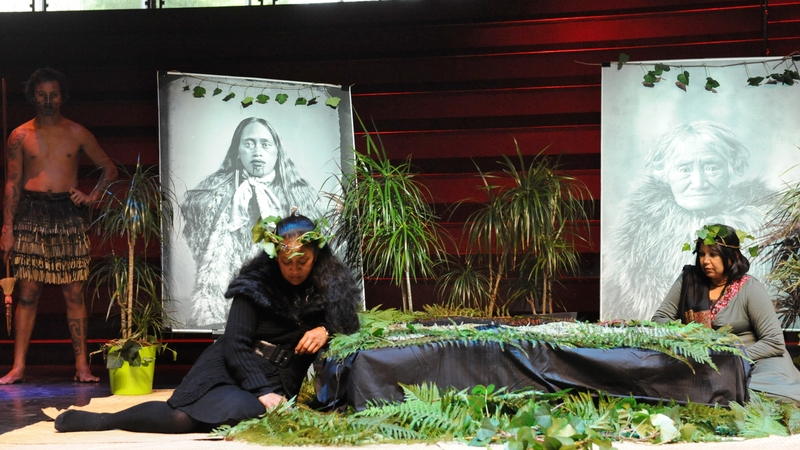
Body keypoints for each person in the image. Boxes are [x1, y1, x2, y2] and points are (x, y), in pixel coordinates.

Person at [54, 212, 361, 433]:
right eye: (286, 262)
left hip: (282, 376)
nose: (294, 269)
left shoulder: (330, 284)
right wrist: (263, 389)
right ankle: (104, 421)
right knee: (180, 419)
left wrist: (325, 330)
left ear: (316, 256)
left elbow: (351, 327)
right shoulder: (254, 285)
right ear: (274, 256)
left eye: (302, 262)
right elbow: (236, 345)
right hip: (229, 364)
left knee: (244, 410)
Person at [0, 68, 118, 385]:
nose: (48, 101)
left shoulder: (77, 133)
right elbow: (12, 184)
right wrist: (7, 227)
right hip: (31, 214)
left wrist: (92, 197)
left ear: (62, 96)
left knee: (75, 292)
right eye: (42, 94)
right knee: (27, 292)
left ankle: (82, 367)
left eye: (53, 94)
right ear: (33, 96)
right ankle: (18, 366)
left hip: (69, 214)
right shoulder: (20, 136)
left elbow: (109, 169)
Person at [602, 120, 773, 320]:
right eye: (684, 169)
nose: (699, 183)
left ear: (731, 170)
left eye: (711, 168)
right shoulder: (632, 236)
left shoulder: (771, 225)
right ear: (665, 174)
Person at [181, 117, 322, 328]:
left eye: (265, 144)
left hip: (283, 302)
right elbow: (196, 240)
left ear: (277, 151)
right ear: (237, 150)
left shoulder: (300, 196)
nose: (257, 152)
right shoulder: (210, 194)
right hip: (229, 301)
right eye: (249, 143)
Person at [652, 224, 800, 405]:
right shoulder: (689, 281)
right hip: (706, 361)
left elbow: (774, 342)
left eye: (713, 254)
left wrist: (731, 358)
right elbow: (660, 318)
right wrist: (691, 340)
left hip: (757, 362)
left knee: (757, 395)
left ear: (733, 257)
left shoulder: (750, 288)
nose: (705, 261)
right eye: (701, 254)